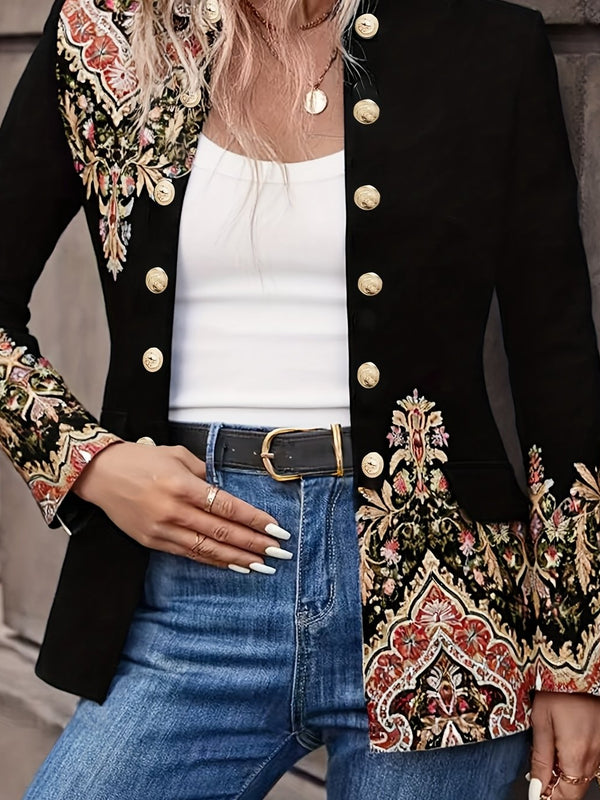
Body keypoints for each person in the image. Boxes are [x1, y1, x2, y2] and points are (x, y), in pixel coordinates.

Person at [1, 0, 599, 797]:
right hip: (186, 589)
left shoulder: (485, 40)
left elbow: (557, 360)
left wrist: (573, 660)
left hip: (439, 614)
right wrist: (93, 465)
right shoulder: (103, 35)